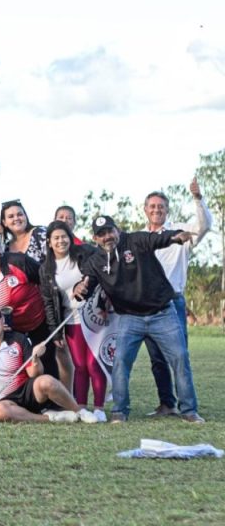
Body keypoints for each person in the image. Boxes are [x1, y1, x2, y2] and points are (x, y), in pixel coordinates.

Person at [74, 216, 203, 423]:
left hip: (162, 313)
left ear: (118, 229)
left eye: (110, 231)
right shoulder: (96, 260)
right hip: (129, 318)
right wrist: (79, 288)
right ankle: (119, 412)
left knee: (179, 357)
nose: (107, 237)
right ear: (95, 238)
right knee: (120, 362)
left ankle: (189, 410)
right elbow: (87, 283)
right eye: (101, 234)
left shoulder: (135, 240)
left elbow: (157, 239)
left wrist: (175, 237)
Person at [141, 181, 212, 417]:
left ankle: (189, 409)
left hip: (173, 302)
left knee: (179, 357)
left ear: (167, 210)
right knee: (157, 360)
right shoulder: (139, 238)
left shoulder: (181, 232)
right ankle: (166, 404)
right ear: (145, 209)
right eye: (152, 206)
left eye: (161, 206)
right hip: (147, 305)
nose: (156, 210)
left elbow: (204, 225)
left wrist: (198, 198)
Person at [0, 303, 97, 424]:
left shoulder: (18, 338)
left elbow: (35, 373)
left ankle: (80, 411)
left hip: (28, 392)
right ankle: (50, 418)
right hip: (4, 400)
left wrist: (35, 358)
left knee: (47, 381)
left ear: (2, 319)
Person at [0, 233, 66, 383]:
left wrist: (53, 320)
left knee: (46, 360)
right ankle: (29, 402)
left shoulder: (19, 261)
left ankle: (55, 404)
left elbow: (46, 282)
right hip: (12, 330)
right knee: (20, 366)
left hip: (39, 321)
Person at [39, 221, 106, 420]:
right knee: (80, 366)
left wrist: (87, 285)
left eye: (64, 236)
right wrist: (55, 331)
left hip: (94, 317)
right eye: (56, 238)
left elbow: (102, 267)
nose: (61, 241)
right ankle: (81, 407)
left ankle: (100, 408)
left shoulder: (85, 253)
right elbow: (49, 303)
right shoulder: (46, 269)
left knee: (94, 364)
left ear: (70, 237)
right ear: (49, 243)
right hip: (70, 321)